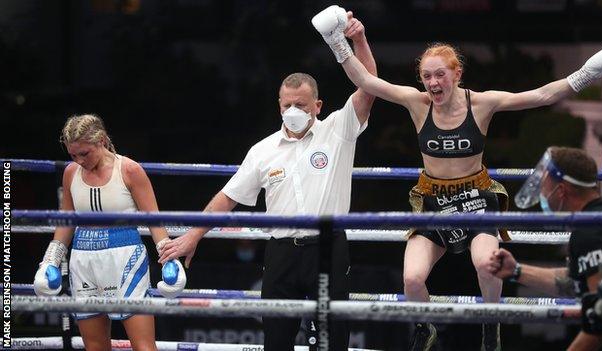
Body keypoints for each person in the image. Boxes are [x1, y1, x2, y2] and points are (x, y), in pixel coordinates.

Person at [312, 5, 602, 350]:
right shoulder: (417, 103)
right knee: (412, 279)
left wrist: (591, 71)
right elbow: (366, 81)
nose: (433, 83)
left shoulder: (482, 104)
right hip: (432, 200)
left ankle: (491, 324)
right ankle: (424, 328)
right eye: (427, 76)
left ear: (456, 73)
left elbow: (542, 96)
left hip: (477, 198)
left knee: (486, 266)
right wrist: (335, 41)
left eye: (440, 75)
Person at [158, 10, 377, 351]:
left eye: (301, 104)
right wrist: (193, 236)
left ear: (316, 105)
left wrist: (358, 40)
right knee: (276, 341)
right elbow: (227, 197)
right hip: (281, 254)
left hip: (327, 249)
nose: (293, 110)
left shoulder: (338, 130)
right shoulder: (262, 151)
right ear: (279, 106)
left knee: (333, 342)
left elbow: (368, 87)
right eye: (287, 104)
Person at [33, 114, 186, 351]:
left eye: (84, 153)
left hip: (124, 258)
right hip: (83, 259)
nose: (79, 160)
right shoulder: (71, 172)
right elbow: (67, 221)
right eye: (73, 155)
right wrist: (51, 260)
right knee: (94, 347)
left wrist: (169, 258)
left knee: (144, 346)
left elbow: (154, 219)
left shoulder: (129, 170)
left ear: (101, 141)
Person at [488, 146, 602, 350]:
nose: (541, 192)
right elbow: (578, 282)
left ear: (560, 191)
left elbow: (600, 323)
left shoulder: (590, 233)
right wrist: (517, 271)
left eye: (544, 185)